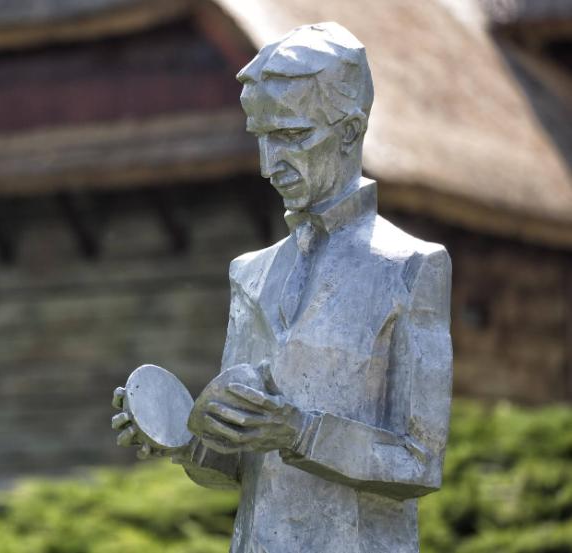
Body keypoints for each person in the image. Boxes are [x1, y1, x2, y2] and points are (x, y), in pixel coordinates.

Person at [112, 22, 452, 553]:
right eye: (261, 138)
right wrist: (184, 440)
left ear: (350, 131)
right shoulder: (249, 273)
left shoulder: (410, 267)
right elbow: (239, 465)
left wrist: (299, 432)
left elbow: (420, 461)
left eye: (291, 136)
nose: (269, 166)